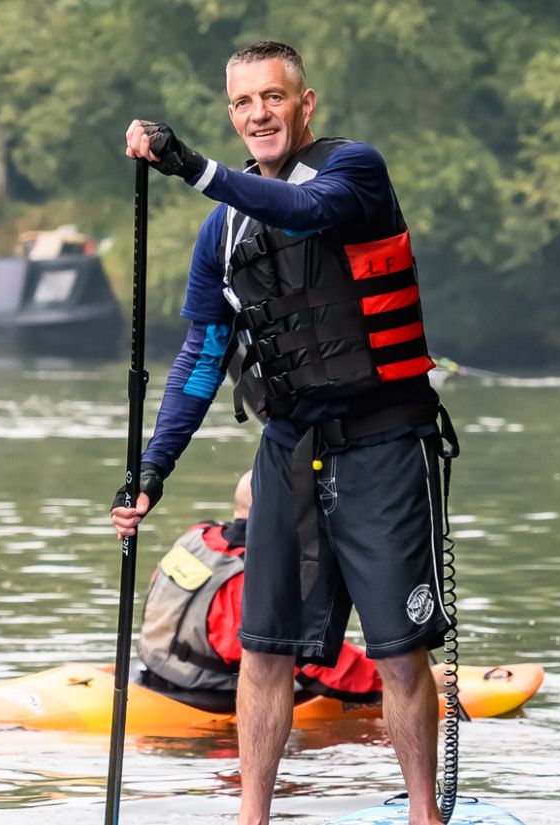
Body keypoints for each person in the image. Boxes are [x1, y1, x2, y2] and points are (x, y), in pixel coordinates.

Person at [113, 40, 456, 825]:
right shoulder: (222, 234)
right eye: (242, 103)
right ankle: (252, 818)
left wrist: (191, 166)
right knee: (264, 647)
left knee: (399, 650)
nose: (258, 114)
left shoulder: (353, 174)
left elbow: (301, 211)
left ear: (306, 105)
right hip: (290, 447)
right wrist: (150, 470)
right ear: (232, 114)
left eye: (273, 98)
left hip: (382, 438)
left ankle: (423, 816)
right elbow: (200, 359)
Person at [137, 469, 382, 703]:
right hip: (203, 686)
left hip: (157, 664)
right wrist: (391, 678)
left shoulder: (196, 536)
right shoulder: (255, 578)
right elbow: (308, 657)